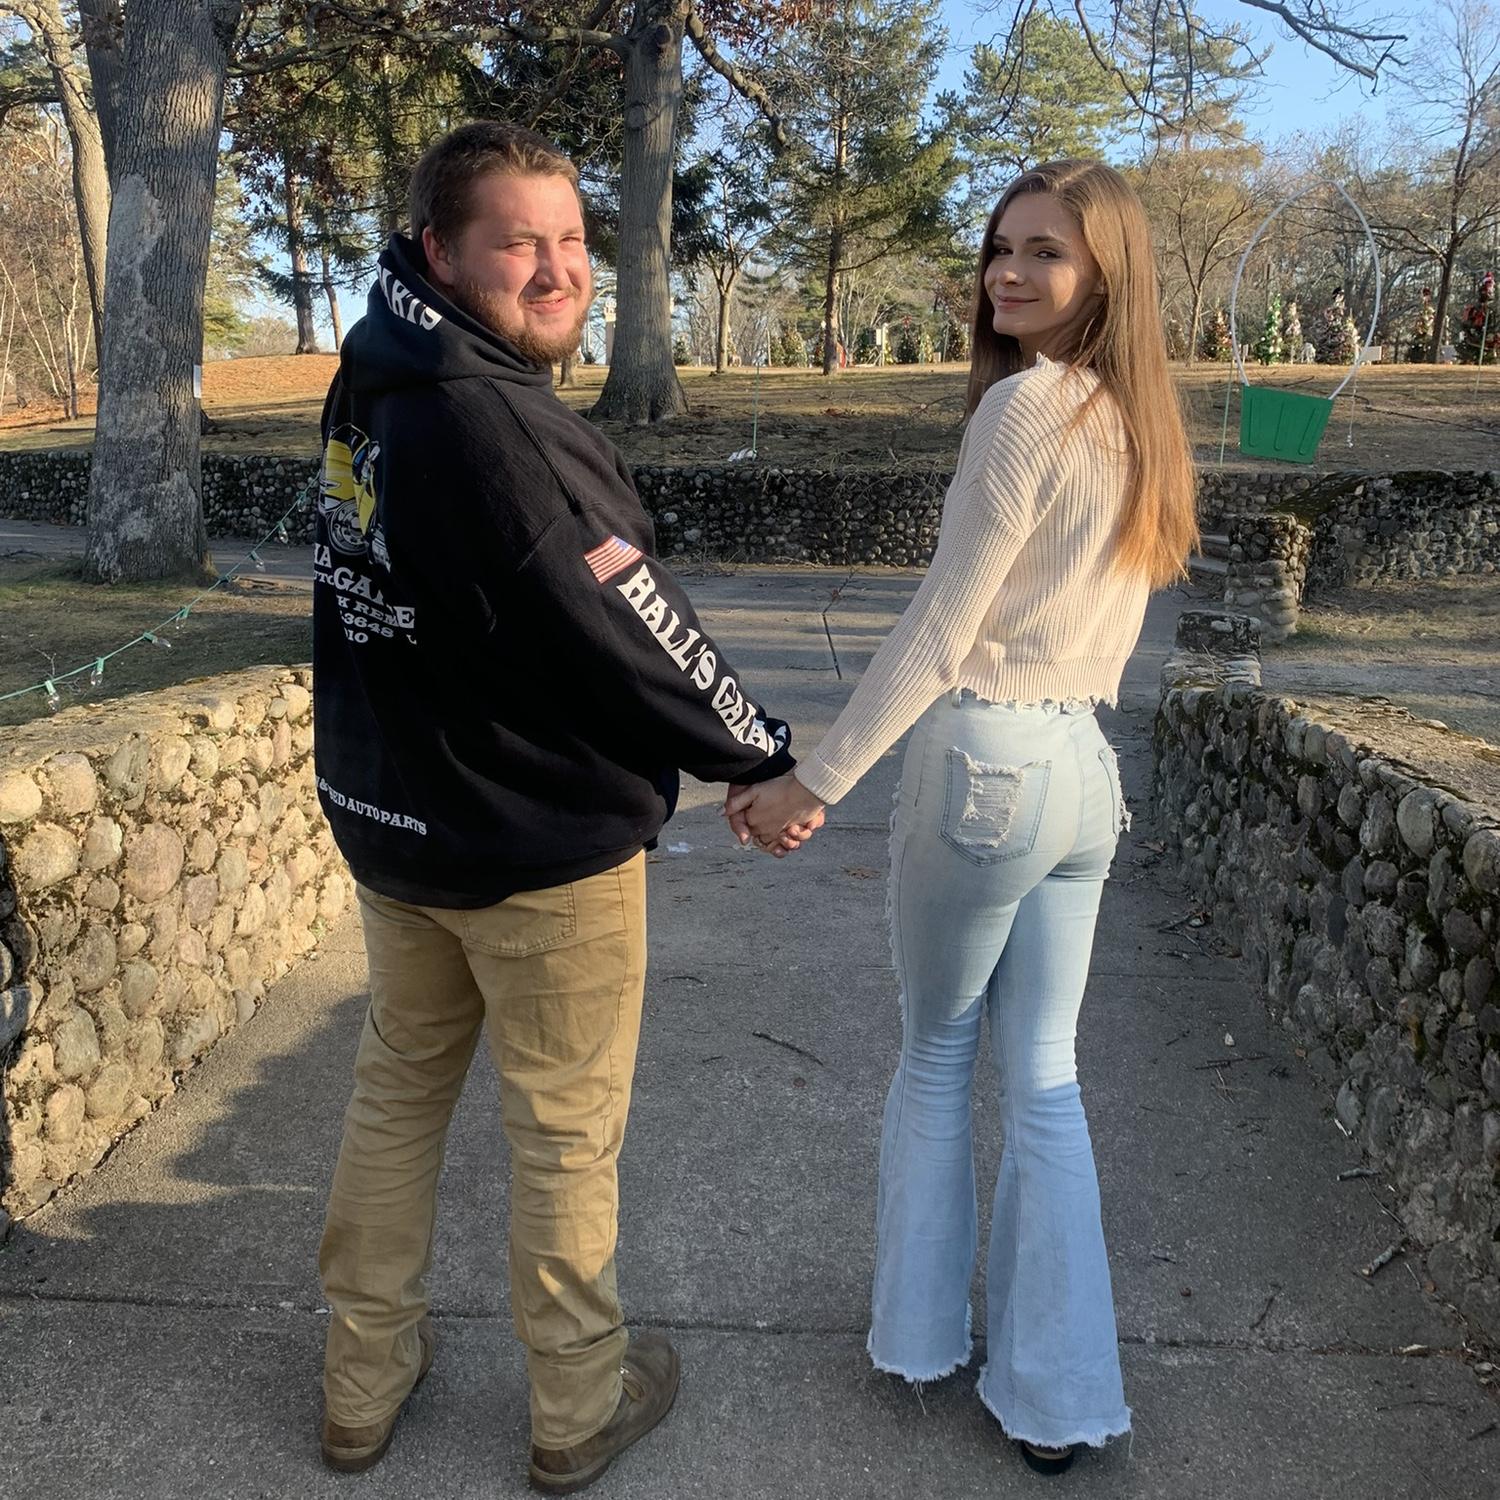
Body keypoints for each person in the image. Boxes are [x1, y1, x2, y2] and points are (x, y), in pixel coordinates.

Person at [311, 121, 818, 1493]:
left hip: (399, 825)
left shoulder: (375, 369)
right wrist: (756, 755)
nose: (557, 270)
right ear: (439, 250)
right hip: (530, 845)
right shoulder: (496, 420)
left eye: (573, 241)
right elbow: (636, 625)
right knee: (562, 1138)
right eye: (518, 244)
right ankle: (577, 1406)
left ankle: (361, 1382)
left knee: (396, 1098)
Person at [726, 159, 1197, 1475]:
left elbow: (944, 630)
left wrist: (816, 780)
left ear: (1106, 273)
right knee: (1044, 1072)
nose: (1010, 271)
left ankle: (925, 1335)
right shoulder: (1133, 420)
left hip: (990, 757)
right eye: (1002, 246)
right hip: (1083, 773)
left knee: (939, 1052)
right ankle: (1056, 1395)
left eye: (1046, 251)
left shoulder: (1028, 408)